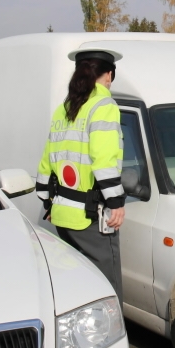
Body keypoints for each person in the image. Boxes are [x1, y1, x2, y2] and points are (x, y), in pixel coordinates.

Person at [35, 48, 126, 303]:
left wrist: (47, 201)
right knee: (107, 290)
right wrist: (116, 202)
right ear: (108, 75)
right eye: (111, 76)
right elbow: (104, 159)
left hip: (62, 213)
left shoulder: (65, 108)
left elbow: (47, 160)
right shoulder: (104, 105)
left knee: (77, 285)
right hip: (91, 215)